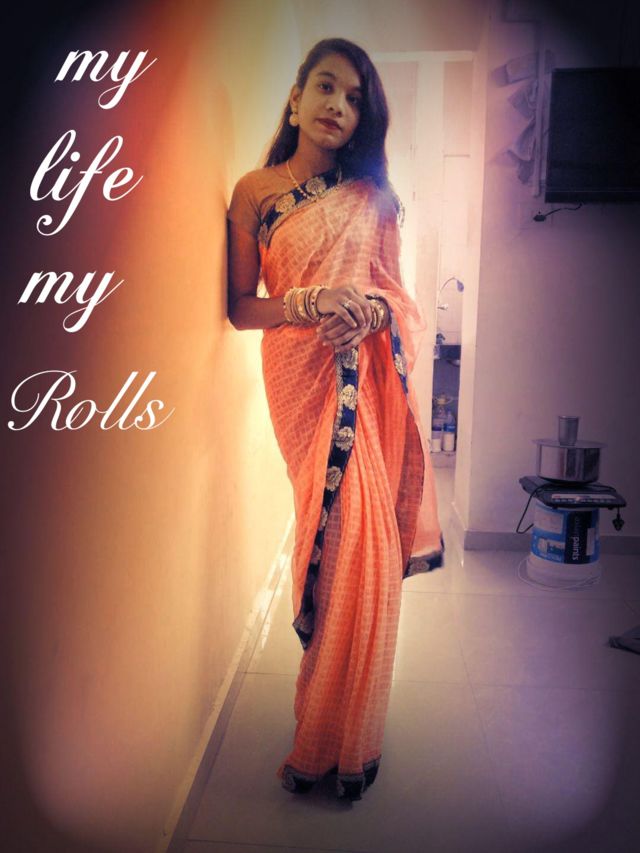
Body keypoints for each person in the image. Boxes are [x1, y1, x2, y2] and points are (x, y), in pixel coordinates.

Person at [226, 37, 445, 802]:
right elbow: (240, 307)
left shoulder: (373, 200)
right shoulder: (255, 191)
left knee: (364, 550)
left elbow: (399, 299)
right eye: (325, 87)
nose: (337, 106)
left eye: (354, 99)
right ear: (295, 99)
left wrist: (368, 311)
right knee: (339, 541)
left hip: (359, 377)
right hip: (298, 375)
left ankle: (341, 740)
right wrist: (310, 302)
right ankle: (328, 731)